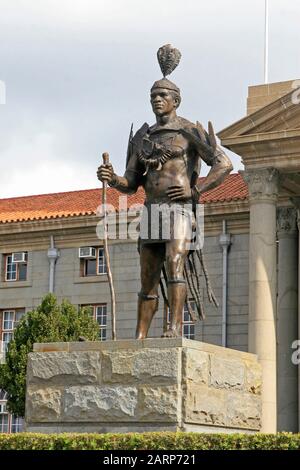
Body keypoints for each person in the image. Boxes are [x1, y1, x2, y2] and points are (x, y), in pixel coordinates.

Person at [97, 44, 233, 339]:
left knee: (174, 264)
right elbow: (132, 182)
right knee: (147, 278)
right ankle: (141, 334)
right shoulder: (142, 137)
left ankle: (172, 329)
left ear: (176, 100)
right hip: (151, 209)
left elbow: (224, 164)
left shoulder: (189, 132)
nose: (157, 100)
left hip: (180, 210)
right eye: (153, 97)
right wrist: (112, 177)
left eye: (162, 96)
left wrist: (195, 189)